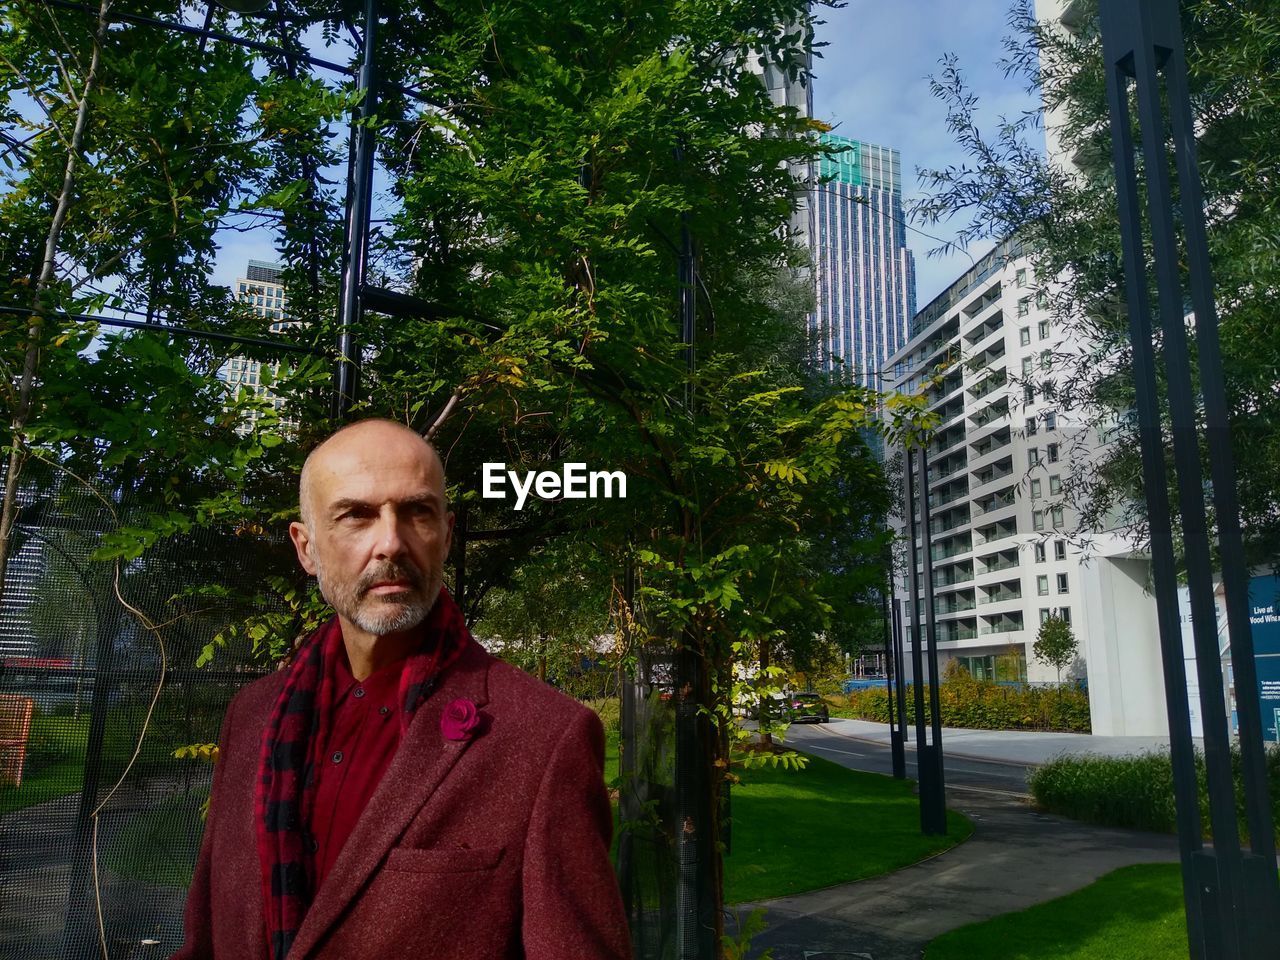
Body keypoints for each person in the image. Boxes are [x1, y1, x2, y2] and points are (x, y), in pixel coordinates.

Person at [173, 419, 630, 960]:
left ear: (446, 534)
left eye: (417, 512)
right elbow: (206, 937)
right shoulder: (252, 717)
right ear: (306, 547)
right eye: (356, 515)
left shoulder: (541, 735)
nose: (391, 542)